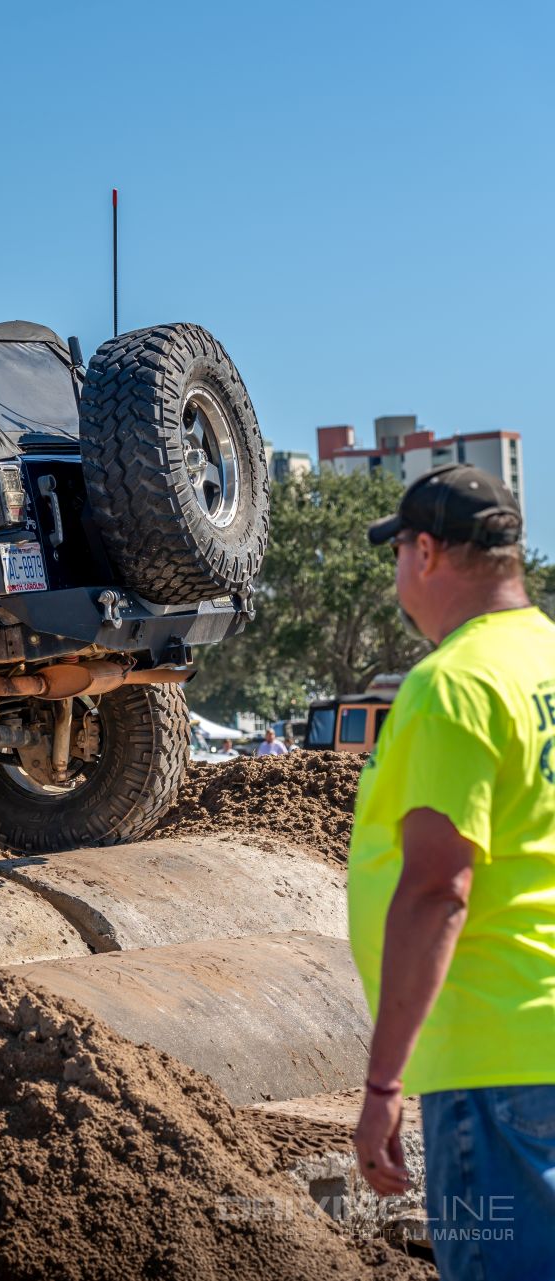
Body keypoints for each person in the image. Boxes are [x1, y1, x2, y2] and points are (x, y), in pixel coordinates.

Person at [348, 464, 554, 1279]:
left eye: (400, 551)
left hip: (491, 1055)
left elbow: (438, 890)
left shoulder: (454, 685)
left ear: (426, 552)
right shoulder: (545, 660)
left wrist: (383, 1084)